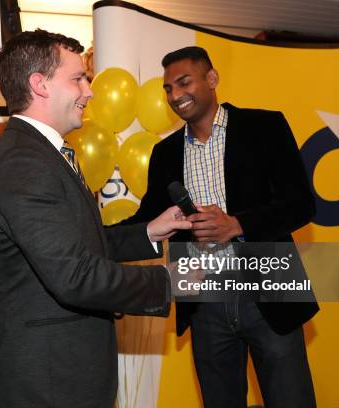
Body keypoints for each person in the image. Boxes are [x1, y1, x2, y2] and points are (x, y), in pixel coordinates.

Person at [0, 30, 191, 408]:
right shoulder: (24, 162)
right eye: (77, 78)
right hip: (45, 382)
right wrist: (171, 281)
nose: (90, 91)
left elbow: (75, 246)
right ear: (40, 85)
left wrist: (149, 231)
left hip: (57, 375)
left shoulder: (40, 154)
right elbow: (75, 275)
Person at [122, 46, 319, 407]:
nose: (175, 95)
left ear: (211, 79)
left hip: (270, 292)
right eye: (168, 89)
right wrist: (89, 229)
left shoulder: (265, 126)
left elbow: (301, 205)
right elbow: (146, 220)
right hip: (203, 301)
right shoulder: (165, 154)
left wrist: (237, 224)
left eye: (184, 82)